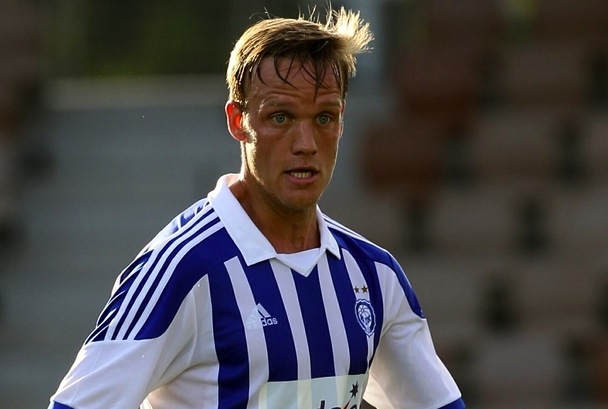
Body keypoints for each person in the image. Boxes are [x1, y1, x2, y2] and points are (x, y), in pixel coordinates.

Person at [48, 7, 465, 409]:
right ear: (237, 121)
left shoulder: (374, 275)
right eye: (281, 117)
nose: (306, 143)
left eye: (323, 118)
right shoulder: (182, 269)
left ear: (342, 121)